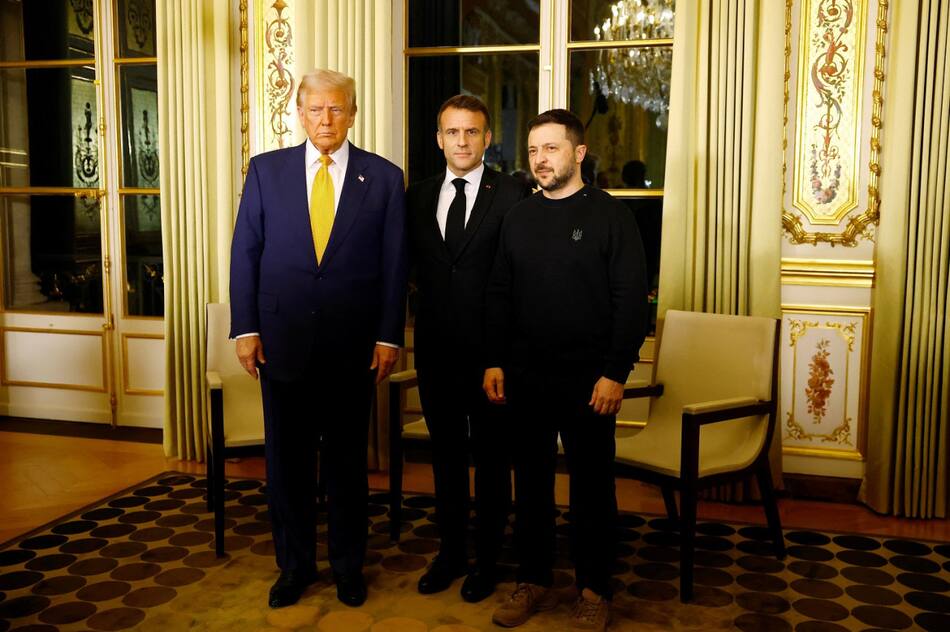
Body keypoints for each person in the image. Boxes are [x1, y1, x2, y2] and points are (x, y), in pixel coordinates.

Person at [229, 68, 407, 609]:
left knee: (348, 465)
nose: (325, 119)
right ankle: (295, 566)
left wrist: (387, 337)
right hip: (281, 343)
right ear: (298, 113)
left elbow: (394, 264)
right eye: (315, 109)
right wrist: (246, 329)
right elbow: (246, 254)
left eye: (336, 109)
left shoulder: (383, 177)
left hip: (354, 347)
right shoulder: (266, 171)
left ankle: (349, 567)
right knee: (287, 465)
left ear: (353, 114)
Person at [483, 109, 648, 631]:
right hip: (526, 377)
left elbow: (631, 301)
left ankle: (595, 589)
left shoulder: (611, 216)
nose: (540, 160)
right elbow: (500, 295)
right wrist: (494, 360)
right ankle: (532, 579)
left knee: (592, 490)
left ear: (579, 154)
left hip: (590, 381)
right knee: (529, 485)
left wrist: (615, 372)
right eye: (533, 150)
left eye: (551, 149)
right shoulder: (518, 217)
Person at [406, 95, 530, 603]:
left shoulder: (514, 193)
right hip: (435, 352)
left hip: (492, 357)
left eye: (472, 132)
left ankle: (488, 560)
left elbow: (523, 278)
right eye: (453, 132)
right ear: (439, 138)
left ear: (486, 139)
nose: (462, 141)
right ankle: (451, 552)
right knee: (447, 458)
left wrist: (502, 354)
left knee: (494, 460)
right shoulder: (415, 195)